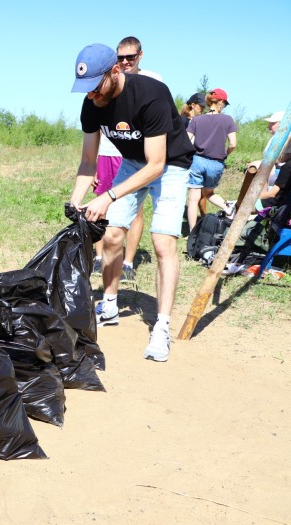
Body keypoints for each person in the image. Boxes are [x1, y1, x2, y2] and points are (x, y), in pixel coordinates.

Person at [69, 43, 194, 363]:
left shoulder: (150, 95)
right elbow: (87, 160)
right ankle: (109, 304)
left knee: (163, 242)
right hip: (132, 162)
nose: (91, 95)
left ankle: (161, 327)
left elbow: (156, 164)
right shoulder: (91, 102)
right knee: (111, 235)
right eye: (86, 89)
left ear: (115, 72)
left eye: (95, 87)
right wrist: (76, 201)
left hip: (170, 165)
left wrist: (109, 195)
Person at [112, 36, 163, 284]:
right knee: (112, 214)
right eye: (120, 58)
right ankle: (106, 261)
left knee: (137, 211)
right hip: (118, 153)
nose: (124, 62)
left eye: (130, 57)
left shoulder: (153, 80)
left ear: (140, 56)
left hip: (151, 157)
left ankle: (128, 261)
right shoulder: (112, 80)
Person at [186, 89, 238, 230]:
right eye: (225, 104)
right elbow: (233, 143)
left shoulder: (196, 119)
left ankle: (192, 233)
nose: (224, 106)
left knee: (193, 199)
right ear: (220, 102)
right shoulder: (227, 120)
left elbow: (187, 140)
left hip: (197, 161)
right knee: (208, 193)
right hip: (216, 162)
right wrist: (225, 153)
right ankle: (228, 208)